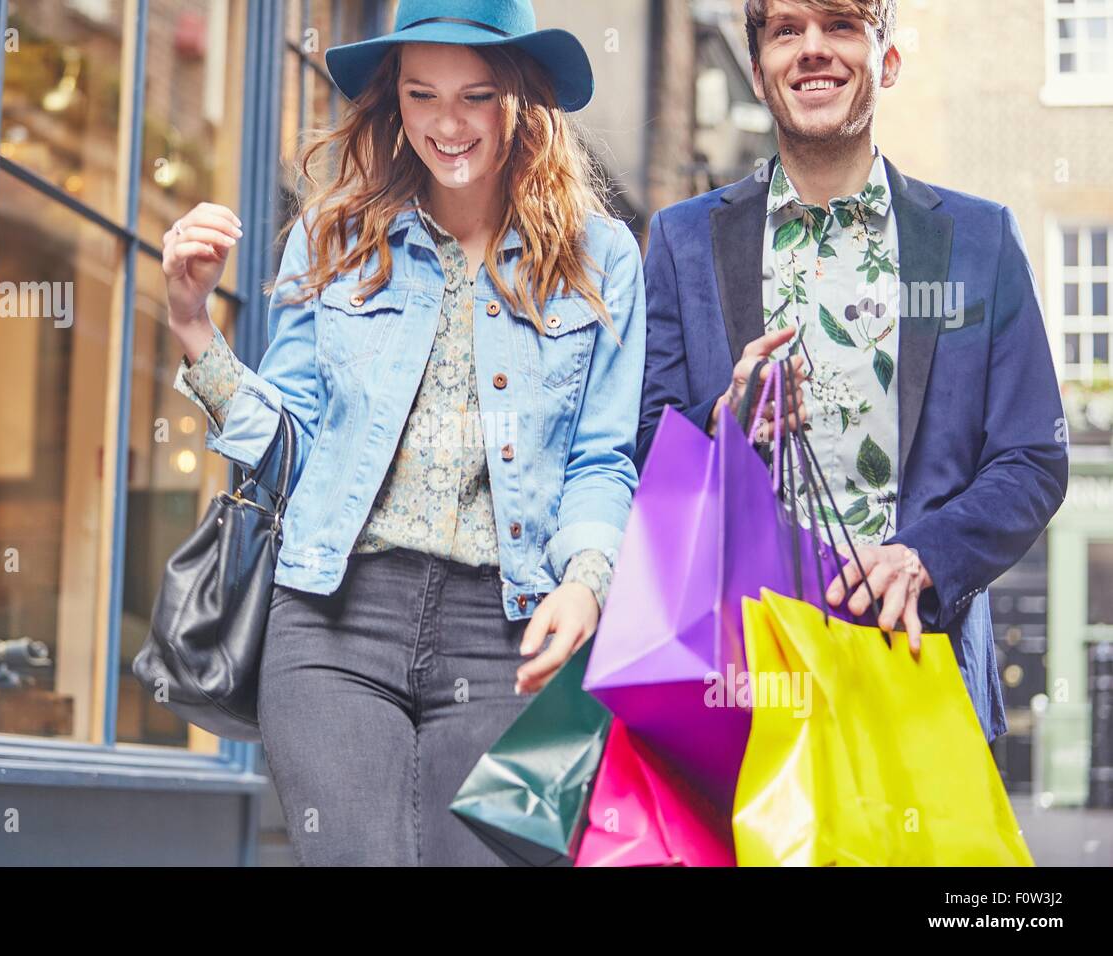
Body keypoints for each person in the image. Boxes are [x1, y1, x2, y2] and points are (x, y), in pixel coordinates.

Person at [161, 0, 645, 865]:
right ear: (394, 101)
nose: (448, 124)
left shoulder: (600, 258)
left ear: (522, 101)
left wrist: (586, 583)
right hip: (335, 617)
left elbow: (601, 457)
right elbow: (294, 445)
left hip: (514, 633)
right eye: (422, 95)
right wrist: (195, 324)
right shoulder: (332, 236)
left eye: (477, 96)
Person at [636, 0, 1068, 743]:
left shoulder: (980, 241)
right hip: (734, 682)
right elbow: (639, 449)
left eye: (840, 24)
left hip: (919, 677)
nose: (812, 49)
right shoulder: (680, 241)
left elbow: (1032, 454)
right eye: (785, 31)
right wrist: (723, 420)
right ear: (758, 67)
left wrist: (923, 558)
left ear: (888, 57)